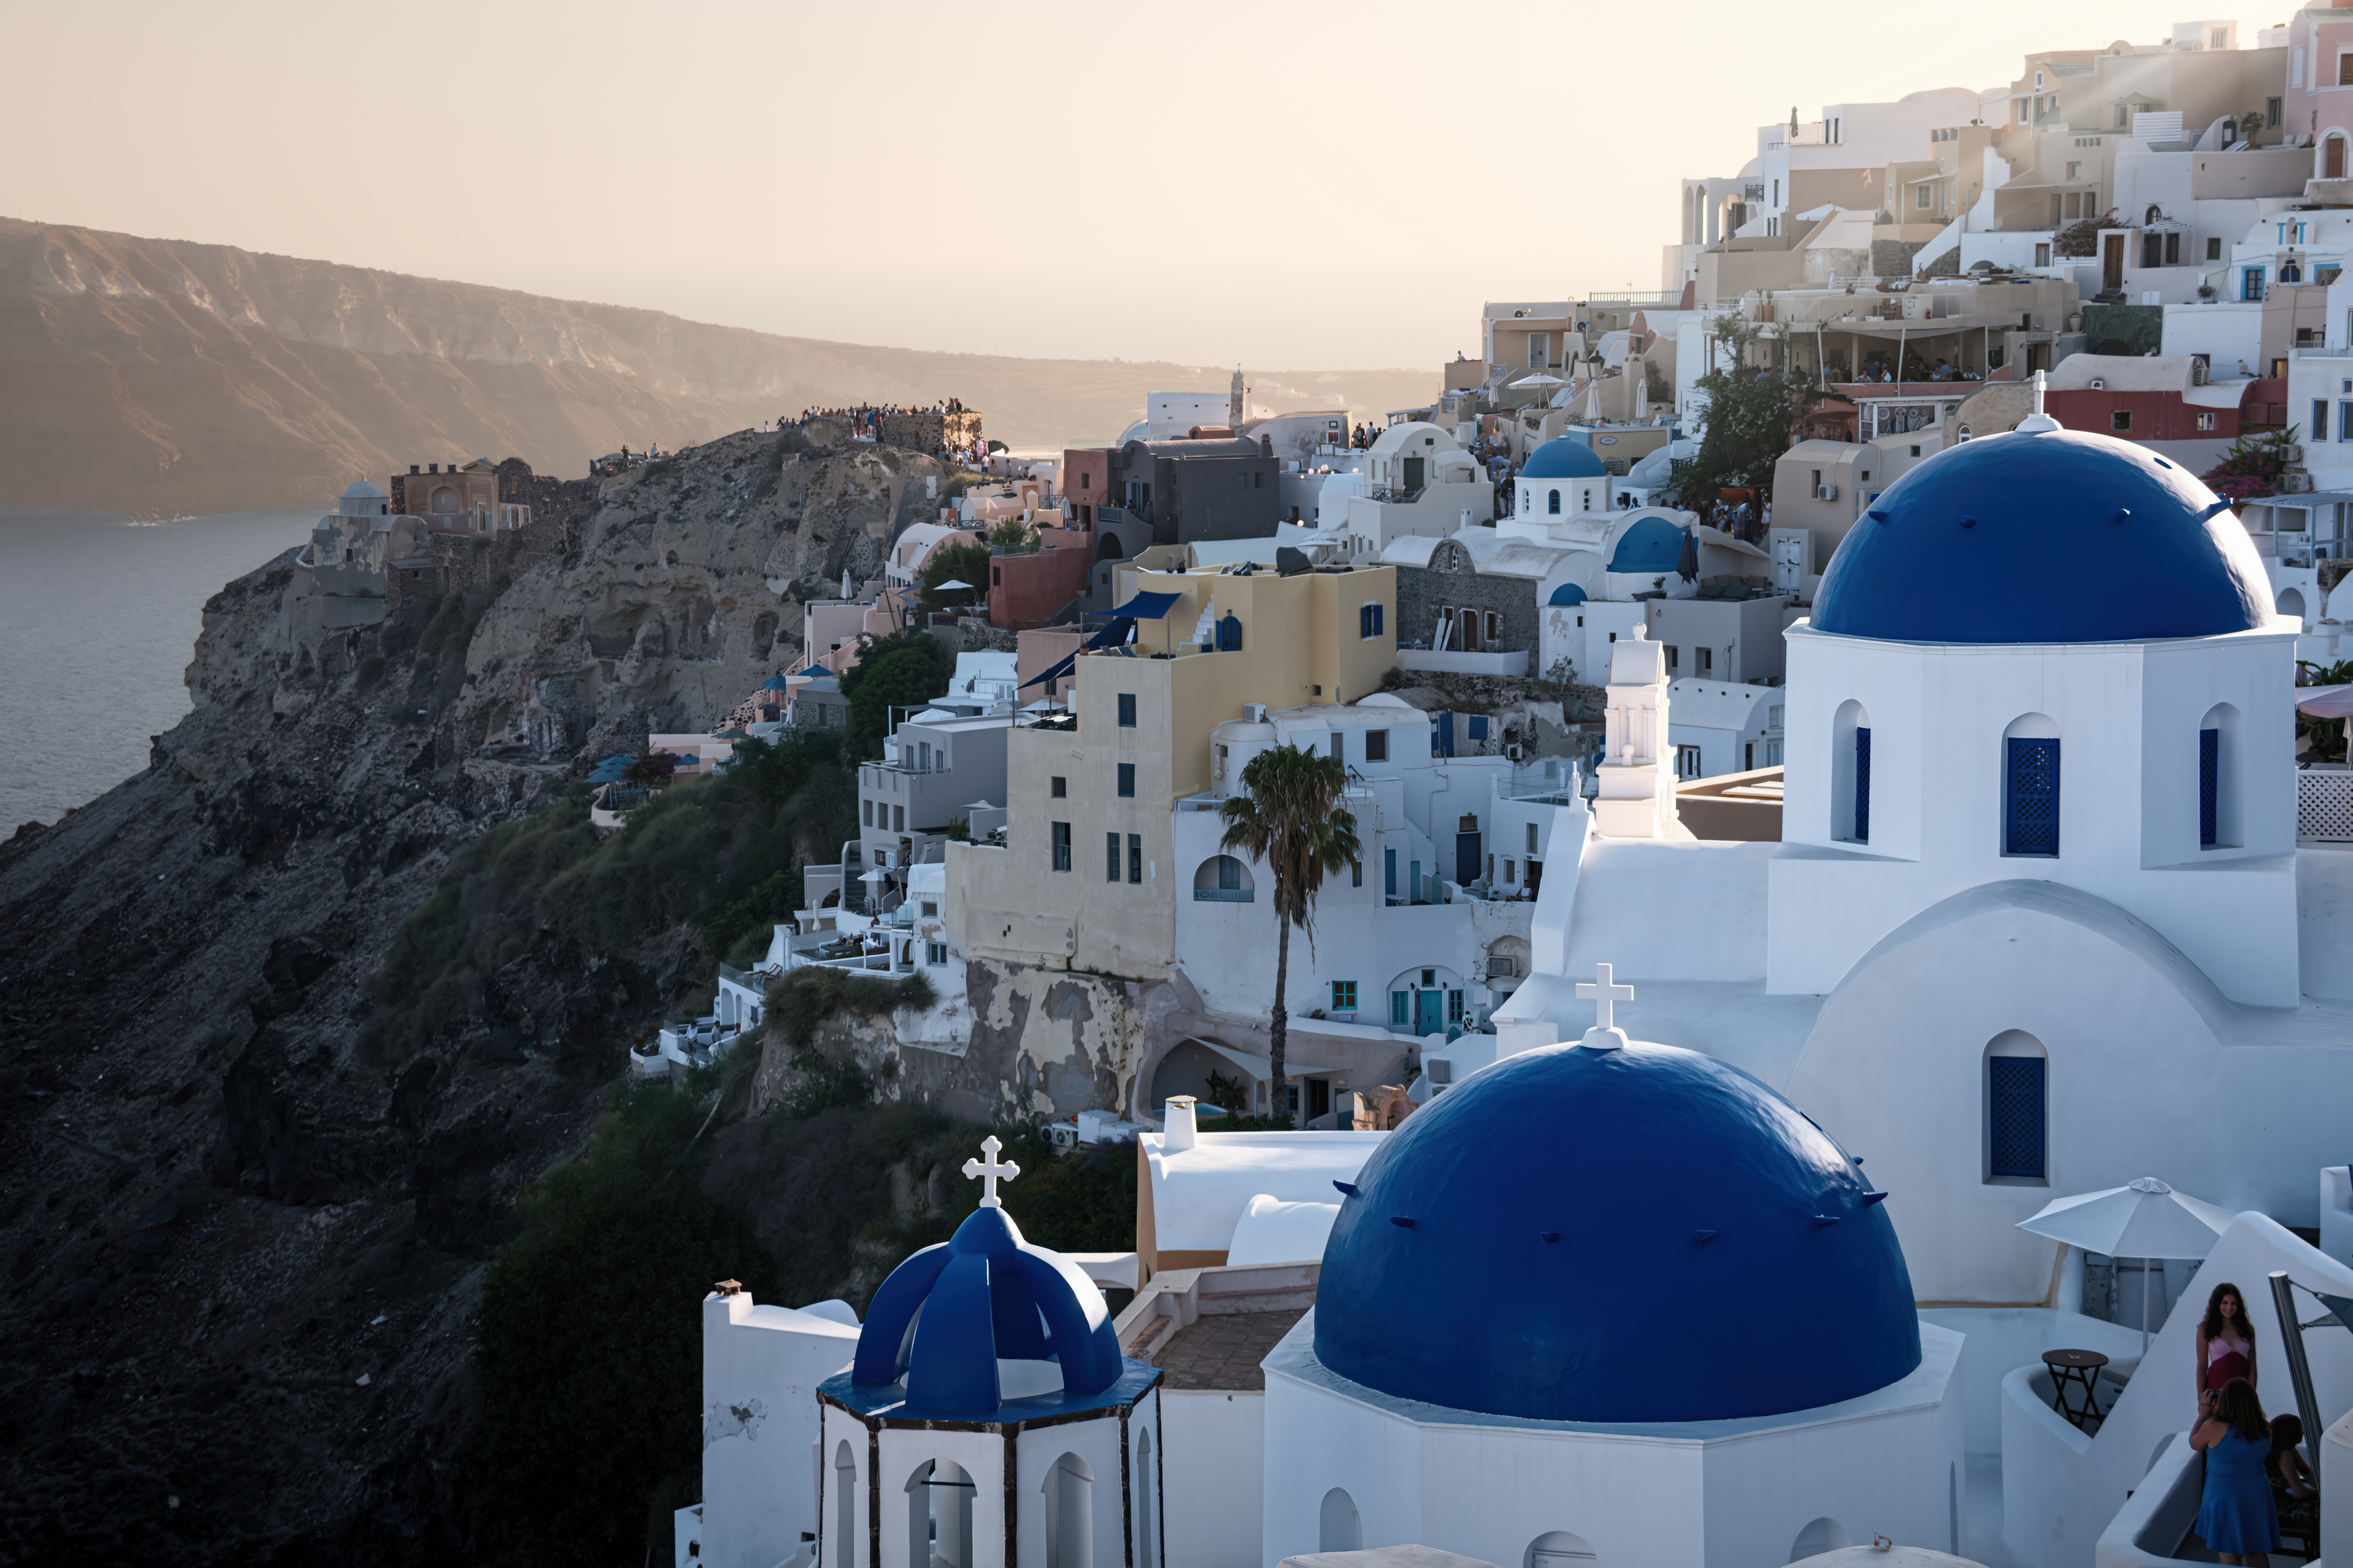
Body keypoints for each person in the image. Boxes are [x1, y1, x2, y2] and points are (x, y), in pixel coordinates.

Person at [2192, 1378, 2280, 1565]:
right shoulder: (2266, 1428)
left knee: (2228, 1552)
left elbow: (2194, 1443)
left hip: (2223, 1494)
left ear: (2224, 1400)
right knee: (2256, 1551)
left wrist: (2203, 1413)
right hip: (2257, 1493)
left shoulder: (2213, 1427)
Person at [2198, 1281, 2256, 1415]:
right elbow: (2202, 1366)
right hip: (2215, 1393)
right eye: (2225, 1303)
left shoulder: (2248, 1329)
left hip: (2243, 1394)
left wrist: (2252, 1395)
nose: (2229, 1307)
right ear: (2217, 1303)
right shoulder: (2205, 1329)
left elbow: (2252, 1366)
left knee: (2243, 1432)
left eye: (2233, 1303)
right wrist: (2201, 1398)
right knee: (2216, 1433)